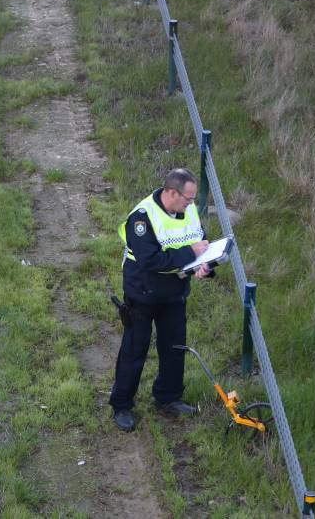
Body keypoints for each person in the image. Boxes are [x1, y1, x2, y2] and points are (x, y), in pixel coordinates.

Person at [110, 168, 213, 432]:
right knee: (135, 349)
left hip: (175, 293)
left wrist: (205, 266)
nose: (191, 204)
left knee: (174, 347)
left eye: (192, 199)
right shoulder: (142, 218)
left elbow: (200, 242)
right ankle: (121, 405)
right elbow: (151, 260)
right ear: (171, 192)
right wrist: (190, 252)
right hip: (143, 292)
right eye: (188, 198)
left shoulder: (188, 211)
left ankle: (168, 398)